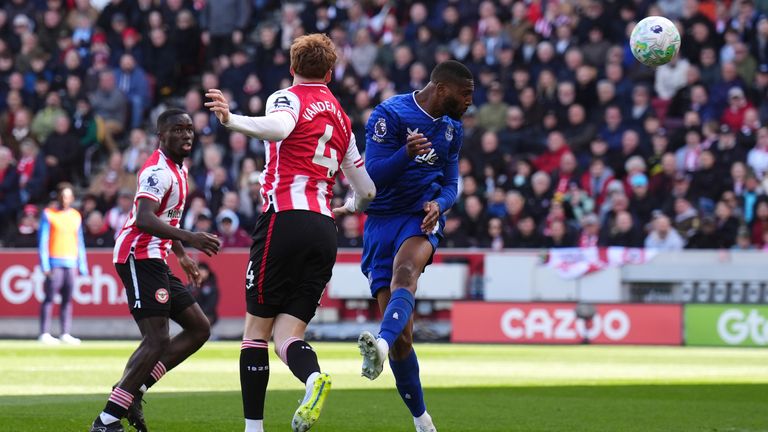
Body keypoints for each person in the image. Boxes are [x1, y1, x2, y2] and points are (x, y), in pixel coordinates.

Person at [205, 33, 376, 432]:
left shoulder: (286, 97)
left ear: (292, 68)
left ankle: (253, 428)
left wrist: (232, 120)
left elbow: (279, 129)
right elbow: (366, 190)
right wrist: (349, 207)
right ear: (331, 73)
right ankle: (314, 379)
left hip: (284, 218)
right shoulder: (342, 119)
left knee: (255, 332)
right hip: (323, 228)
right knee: (289, 333)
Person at [356, 60, 474, 432]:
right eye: (465, 93)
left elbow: (453, 182)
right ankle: (422, 420)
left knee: (406, 274)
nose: (470, 101)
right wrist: (406, 153)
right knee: (404, 340)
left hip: (419, 218)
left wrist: (440, 203)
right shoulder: (390, 114)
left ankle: (378, 343)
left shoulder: (453, 129)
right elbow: (371, 179)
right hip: (380, 223)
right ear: (441, 89)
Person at [89, 109, 222, 432]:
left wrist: (182, 255)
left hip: (156, 257)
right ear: (161, 136)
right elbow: (145, 218)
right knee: (156, 339)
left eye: (190, 129)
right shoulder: (157, 172)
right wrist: (190, 239)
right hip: (137, 255)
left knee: (199, 328)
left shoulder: (180, 169)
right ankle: (106, 420)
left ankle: (134, 390)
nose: (187, 135)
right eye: (178, 129)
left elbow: (167, 219)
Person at [37, 182, 88, 345]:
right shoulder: (49, 214)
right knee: (49, 297)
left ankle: (65, 332)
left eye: (68, 196)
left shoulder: (75, 215)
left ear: (72, 198)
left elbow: (79, 241)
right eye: (63, 196)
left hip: (71, 262)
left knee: (67, 299)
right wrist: (45, 264)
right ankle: (44, 332)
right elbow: (43, 241)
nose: (65, 199)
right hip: (54, 262)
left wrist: (82, 264)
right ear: (58, 197)